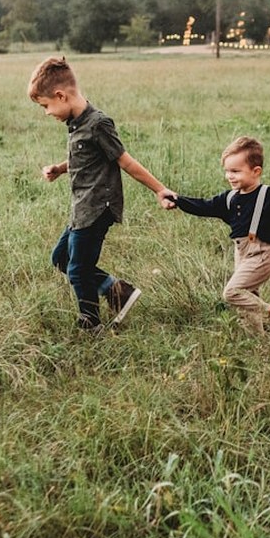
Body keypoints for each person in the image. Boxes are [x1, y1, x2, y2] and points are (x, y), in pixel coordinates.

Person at [28, 56, 171, 333]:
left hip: (97, 208)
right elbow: (86, 157)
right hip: (81, 208)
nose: (46, 113)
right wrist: (60, 168)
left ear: (61, 95)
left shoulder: (98, 123)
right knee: (61, 258)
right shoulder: (77, 124)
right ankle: (117, 291)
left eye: (46, 106)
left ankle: (91, 323)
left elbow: (125, 161)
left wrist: (160, 189)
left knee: (78, 270)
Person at [161, 136, 270, 341]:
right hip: (240, 253)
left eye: (235, 171)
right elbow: (204, 206)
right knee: (248, 299)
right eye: (227, 171)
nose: (229, 176)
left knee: (233, 292)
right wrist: (178, 200)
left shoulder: (266, 195)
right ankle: (258, 341)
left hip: (261, 254)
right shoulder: (230, 197)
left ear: (256, 171)